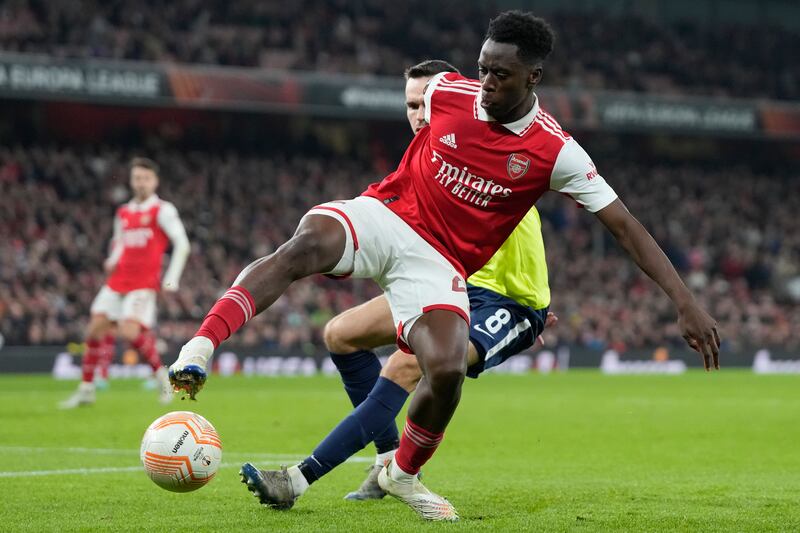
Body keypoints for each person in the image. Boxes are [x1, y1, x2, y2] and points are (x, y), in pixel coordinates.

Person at [170, 11, 719, 521]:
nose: (486, 83)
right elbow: (421, 109)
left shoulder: (556, 153)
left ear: (534, 77)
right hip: (388, 216)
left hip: (440, 263)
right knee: (306, 244)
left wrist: (685, 301)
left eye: (501, 74)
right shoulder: (445, 93)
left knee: (447, 370)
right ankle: (201, 346)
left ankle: (403, 473)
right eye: (482, 69)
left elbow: (624, 225)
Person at [235, 59, 557, 510]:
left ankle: (298, 479)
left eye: (428, 103)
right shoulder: (430, 160)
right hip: (450, 280)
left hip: (504, 300)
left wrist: (537, 300)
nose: (420, 115)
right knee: (340, 334)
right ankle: (388, 461)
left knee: (404, 368)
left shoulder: (483, 150)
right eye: (411, 105)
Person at [60, 157, 191, 408]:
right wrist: (112, 259)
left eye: (146, 178)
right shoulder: (124, 212)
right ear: (131, 181)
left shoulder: (163, 210)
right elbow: (119, 243)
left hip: (143, 283)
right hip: (118, 279)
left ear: (155, 181)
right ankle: (86, 389)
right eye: (137, 178)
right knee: (94, 330)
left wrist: (171, 279)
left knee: (130, 332)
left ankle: (162, 377)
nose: (141, 183)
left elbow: (182, 244)